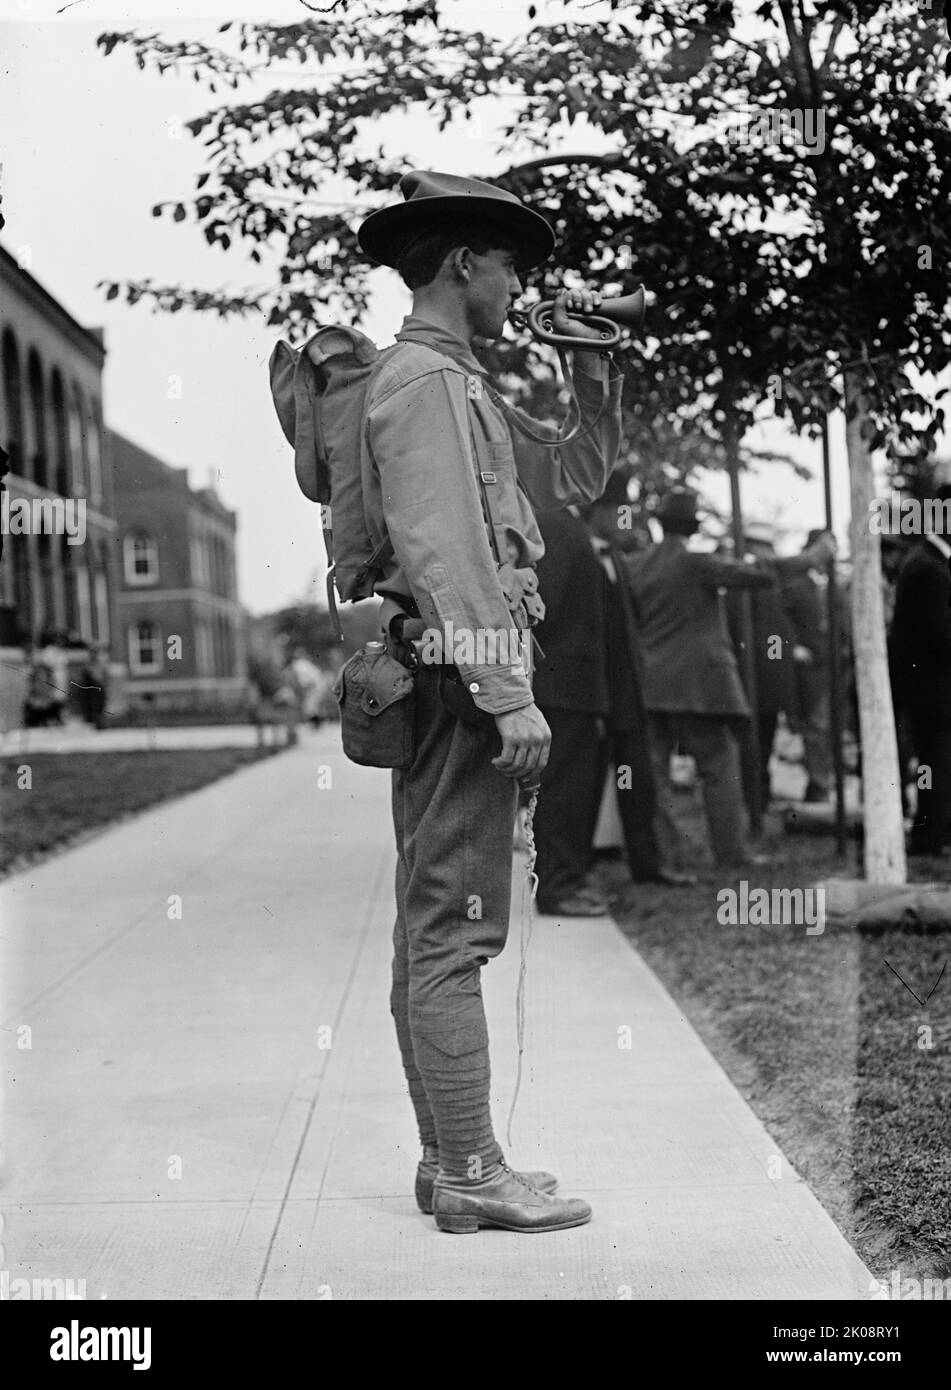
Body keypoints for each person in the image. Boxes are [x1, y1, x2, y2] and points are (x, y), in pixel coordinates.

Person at [355, 169, 623, 1233]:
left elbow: (571, 488)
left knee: (436, 928)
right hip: (459, 682)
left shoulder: (455, 380)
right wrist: (507, 692)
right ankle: (468, 1166)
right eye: (513, 265)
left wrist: (591, 369)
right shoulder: (424, 384)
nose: (521, 287)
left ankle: (450, 1160)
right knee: (453, 932)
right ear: (465, 261)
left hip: (447, 677)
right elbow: (442, 549)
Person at [626, 488, 776, 869]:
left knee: (655, 776)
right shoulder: (697, 563)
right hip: (698, 685)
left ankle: (667, 856)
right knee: (718, 764)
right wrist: (807, 557)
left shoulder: (637, 564)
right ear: (693, 527)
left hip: (650, 682)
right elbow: (758, 575)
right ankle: (732, 853)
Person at [890, 485, 951, 857]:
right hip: (932, 691)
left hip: (932, 688)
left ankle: (935, 833)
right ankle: (929, 837)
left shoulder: (931, 563)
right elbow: (939, 634)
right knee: (936, 765)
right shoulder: (929, 568)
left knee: (939, 765)